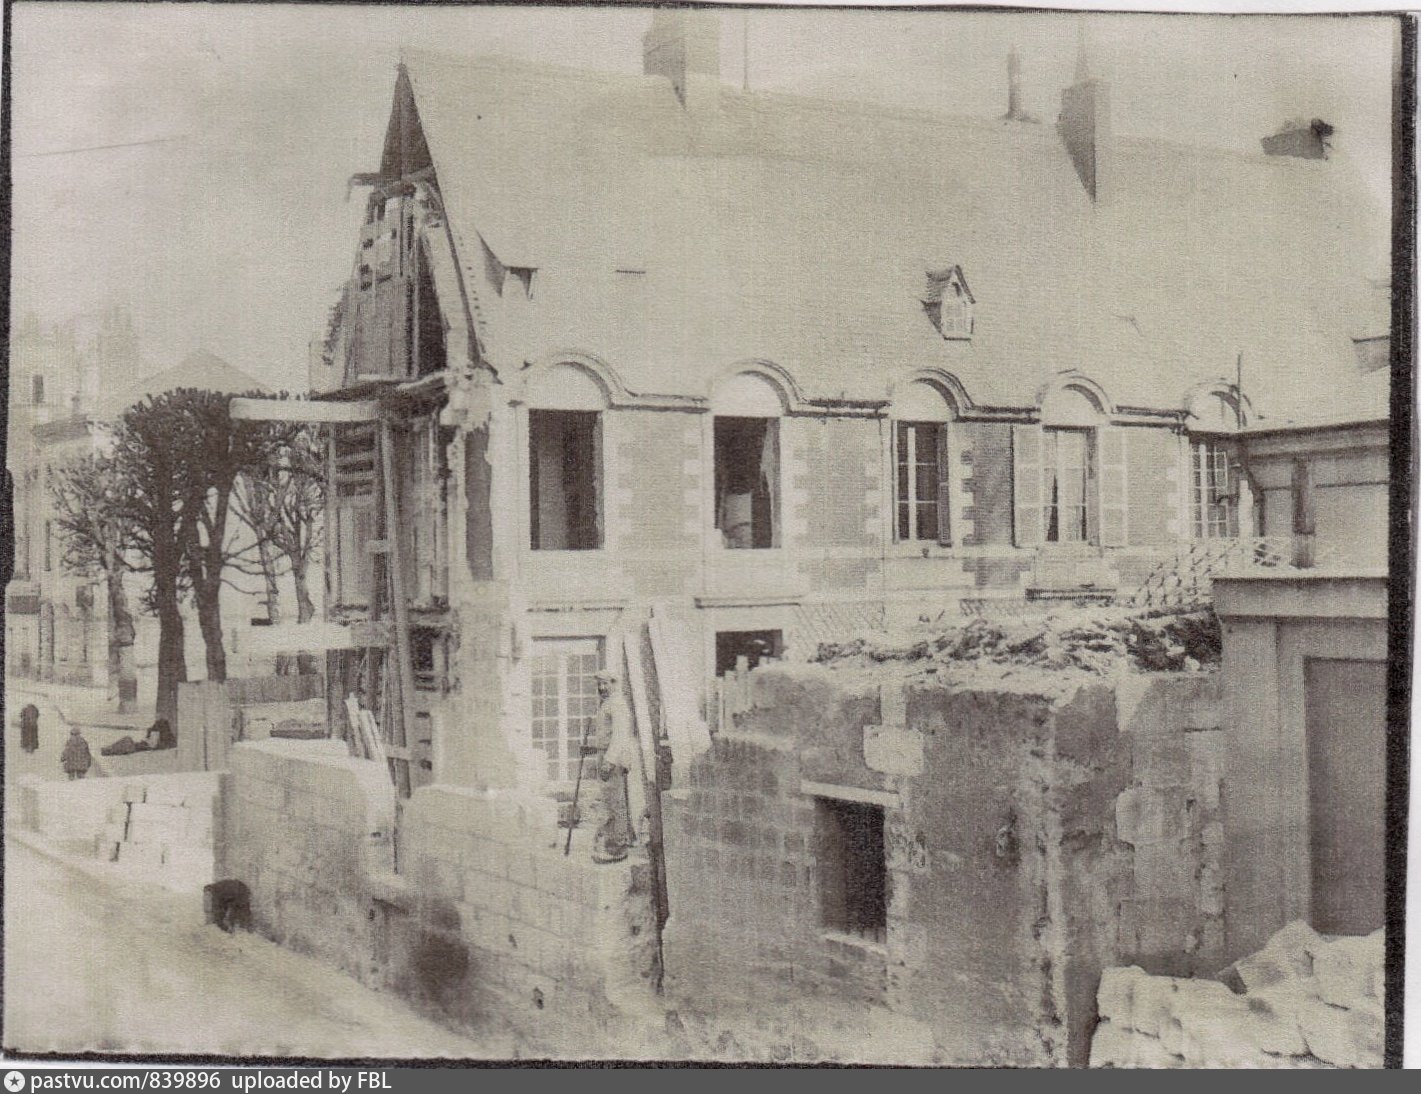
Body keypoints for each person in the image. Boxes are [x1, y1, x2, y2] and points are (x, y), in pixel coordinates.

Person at [586, 669, 637, 864]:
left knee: (615, 803)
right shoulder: (607, 703)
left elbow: (619, 736)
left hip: (613, 759)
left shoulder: (617, 704)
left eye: (606, 683)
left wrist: (609, 761)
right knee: (609, 801)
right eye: (599, 684)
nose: (602, 687)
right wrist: (592, 749)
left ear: (615, 684)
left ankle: (618, 848)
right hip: (606, 755)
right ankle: (613, 842)